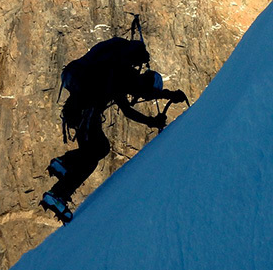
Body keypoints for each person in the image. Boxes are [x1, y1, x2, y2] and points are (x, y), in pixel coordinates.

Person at [40, 36, 188, 222]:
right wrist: (169, 96)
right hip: (87, 112)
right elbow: (140, 94)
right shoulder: (123, 73)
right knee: (96, 151)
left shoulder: (112, 72)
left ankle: (63, 164)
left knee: (94, 150)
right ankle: (57, 194)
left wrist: (153, 118)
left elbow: (128, 108)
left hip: (78, 111)